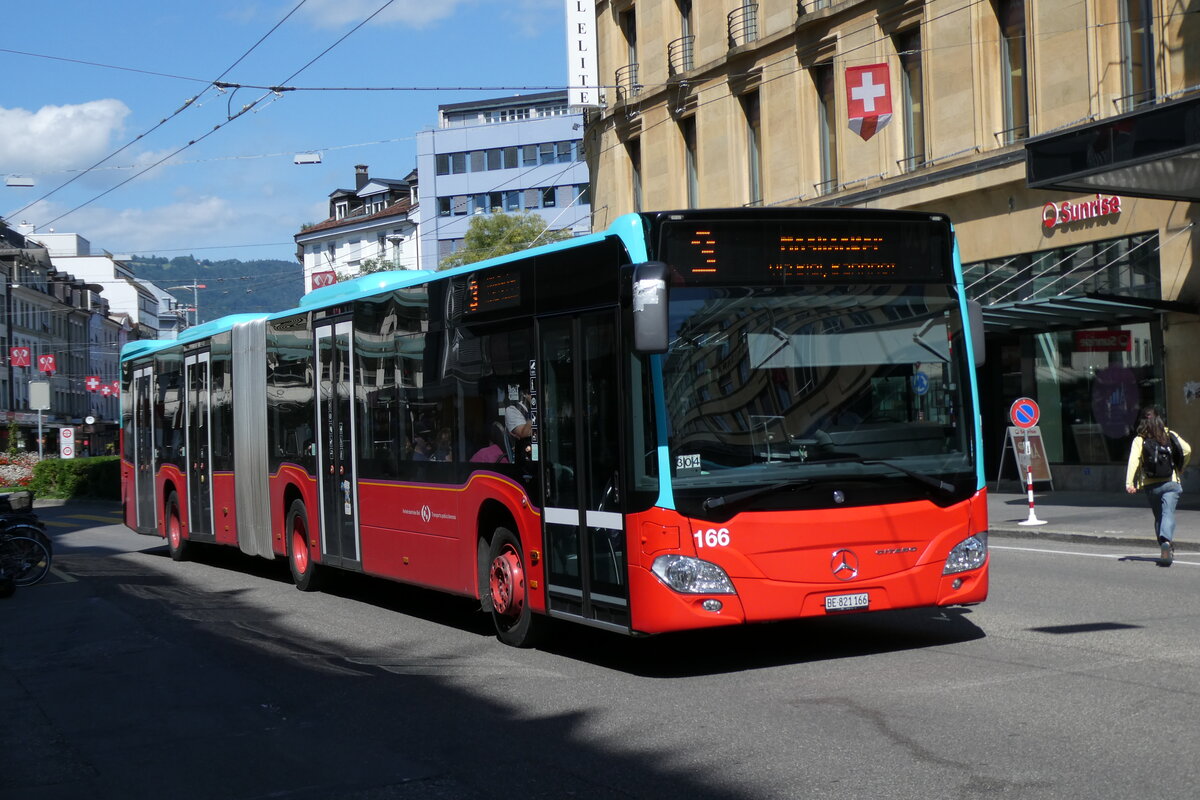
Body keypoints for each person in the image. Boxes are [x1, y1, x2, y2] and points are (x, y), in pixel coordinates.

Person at [1125, 406, 1191, 566]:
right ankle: (1166, 542)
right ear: (1160, 419)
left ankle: (1164, 544)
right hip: (1171, 482)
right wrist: (1182, 467)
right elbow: (1187, 449)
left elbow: (1133, 460)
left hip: (1150, 484)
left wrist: (1130, 483)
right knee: (1168, 513)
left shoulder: (1140, 439)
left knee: (1159, 517)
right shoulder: (1169, 434)